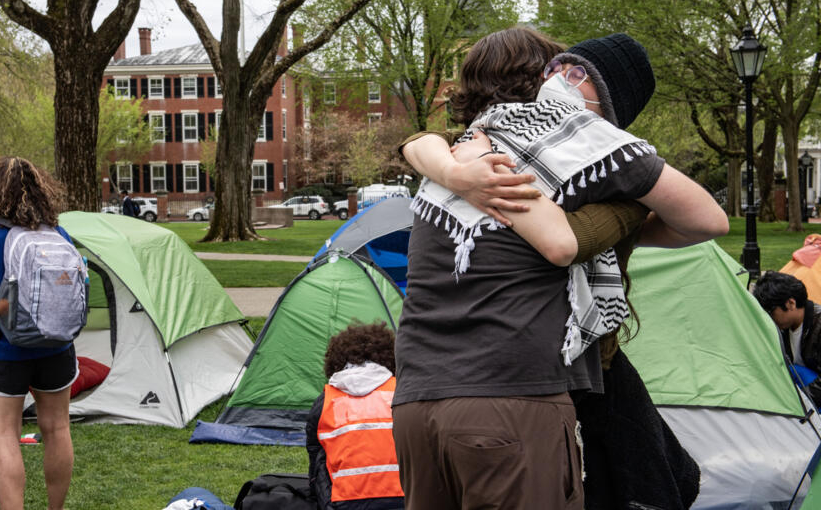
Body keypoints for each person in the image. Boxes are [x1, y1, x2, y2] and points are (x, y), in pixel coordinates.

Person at [393, 28, 726, 510]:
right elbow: (563, 243)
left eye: (580, 74)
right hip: (513, 398)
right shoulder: (524, 152)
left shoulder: (460, 151)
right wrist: (632, 210)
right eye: (557, 67)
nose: (562, 81)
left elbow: (418, 143)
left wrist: (452, 171)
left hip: (417, 401)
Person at [0, 157, 78, 510]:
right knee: (57, 429)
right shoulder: (57, 233)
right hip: (56, 346)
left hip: (4, 349)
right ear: (41, 190)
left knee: (6, 436)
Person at [306, 322, 403, 510]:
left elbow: (314, 464)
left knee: (320, 453)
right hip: (406, 498)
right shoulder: (401, 391)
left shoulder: (325, 400)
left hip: (344, 503)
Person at [753, 271, 821, 407]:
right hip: (807, 392)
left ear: (791, 303)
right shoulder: (784, 326)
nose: (769, 319)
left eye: (770, 312)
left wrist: (791, 402)